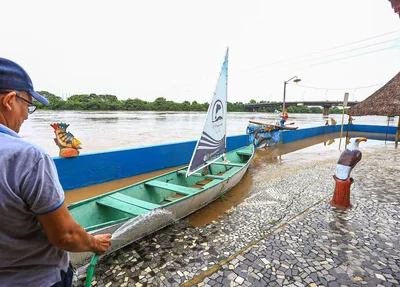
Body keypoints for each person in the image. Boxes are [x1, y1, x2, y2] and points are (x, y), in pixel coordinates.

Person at [0, 58, 112, 287]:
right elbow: (65, 236)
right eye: (28, 105)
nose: (27, 116)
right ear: (10, 100)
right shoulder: (26, 157)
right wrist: (93, 244)